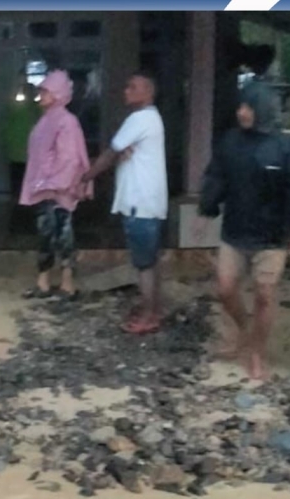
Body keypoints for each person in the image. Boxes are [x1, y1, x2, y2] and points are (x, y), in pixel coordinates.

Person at [195, 82, 290, 380]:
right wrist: (205, 210)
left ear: (262, 109)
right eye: (240, 106)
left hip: (272, 237)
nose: (241, 112)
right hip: (235, 232)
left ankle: (256, 353)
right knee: (225, 289)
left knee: (264, 295)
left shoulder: (285, 147)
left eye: (248, 107)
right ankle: (245, 331)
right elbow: (216, 178)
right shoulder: (230, 141)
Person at [82, 72, 168, 334]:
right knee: (150, 260)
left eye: (133, 87)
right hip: (149, 202)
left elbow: (110, 153)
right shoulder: (151, 119)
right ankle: (154, 309)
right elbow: (121, 152)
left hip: (139, 203)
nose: (126, 91)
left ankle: (148, 316)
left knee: (144, 265)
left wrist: (85, 176)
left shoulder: (139, 119)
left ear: (148, 92)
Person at [18, 70, 92, 300]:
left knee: (63, 235)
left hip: (59, 190)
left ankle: (67, 284)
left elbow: (70, 158)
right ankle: (43, 282)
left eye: (45, 91)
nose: (41, 94)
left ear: (58, 93)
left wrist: (56, 182)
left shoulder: (66, 121)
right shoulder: (46, 120)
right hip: (45, 188)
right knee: (46, 234)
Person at [1, 79, 43, 234]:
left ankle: (21, 220)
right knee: (21, 189)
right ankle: (21, 220)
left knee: (22, 189)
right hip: (21, 156)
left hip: (25, 157)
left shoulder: (22, 109)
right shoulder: (21, 109)